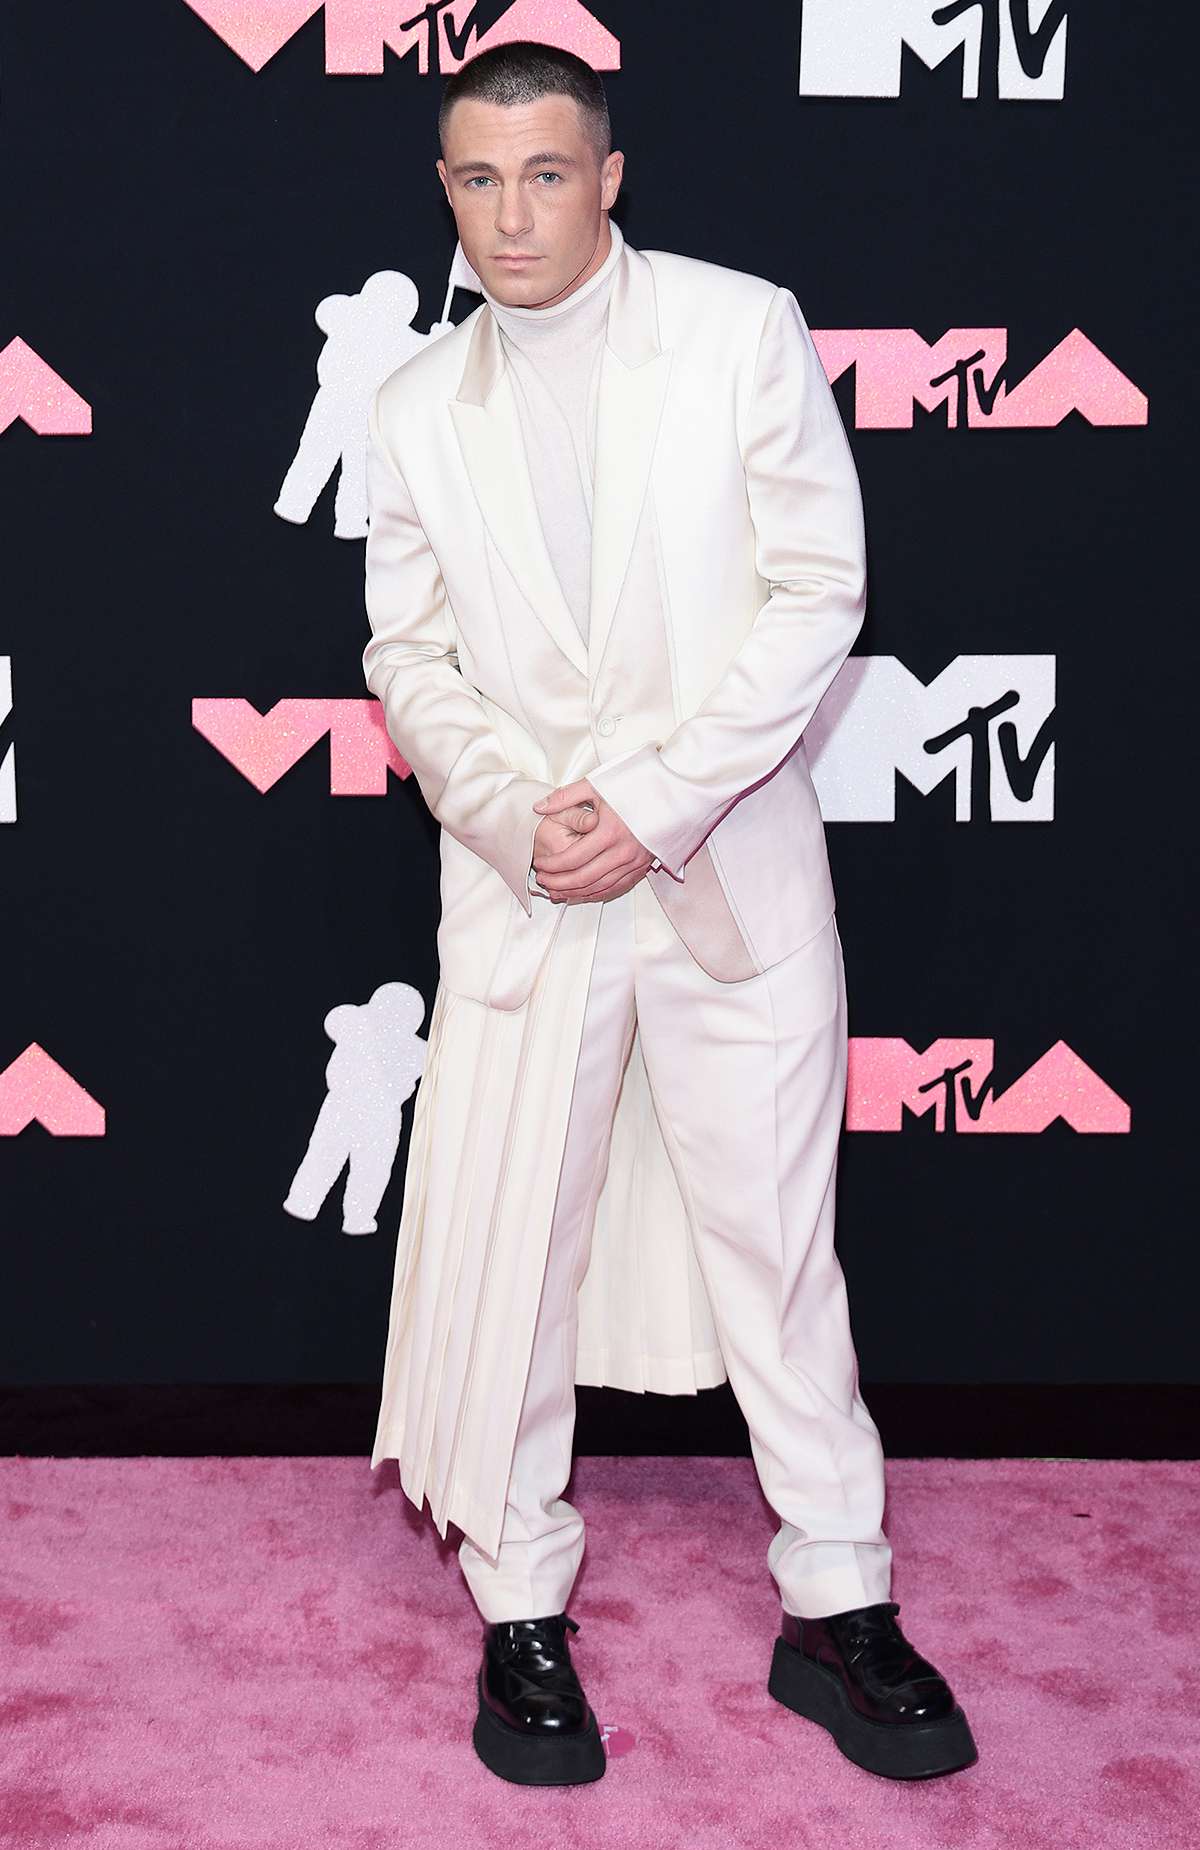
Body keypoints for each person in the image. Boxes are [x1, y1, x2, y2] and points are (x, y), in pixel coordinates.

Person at [361, 39, 977, 1789]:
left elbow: (818, 588)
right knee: (518, 1249)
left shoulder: (738, 328)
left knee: (779, 1249)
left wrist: (651, 803)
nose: (512, 214)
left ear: (609, 176)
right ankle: (521, 1602)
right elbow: (407, 655)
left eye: (546, 173)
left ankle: (839, 1601)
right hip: (529, 890)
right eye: (478, 181)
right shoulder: (412, 406)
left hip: (723, 879)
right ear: (447, 195)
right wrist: (512, 809)